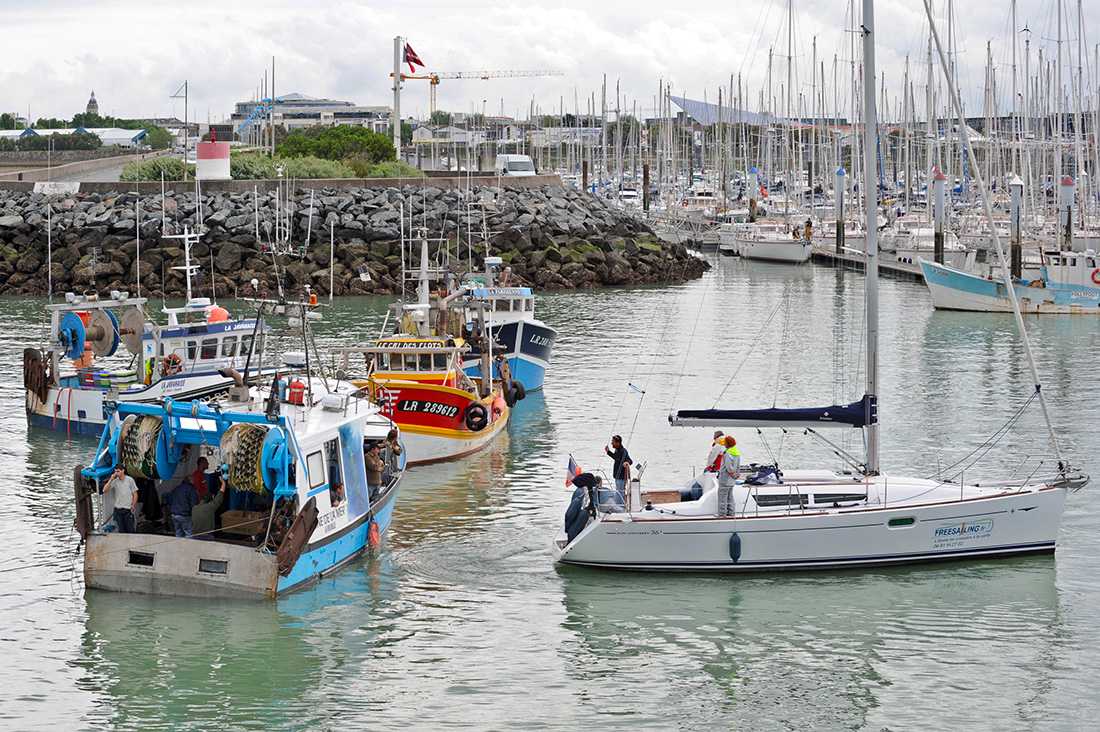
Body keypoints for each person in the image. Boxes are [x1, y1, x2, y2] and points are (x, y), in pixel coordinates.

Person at [102, 464, 139, 533]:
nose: (116, 473)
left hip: (128, 509)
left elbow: (135, 494)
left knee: (131, 530)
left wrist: (132, 507)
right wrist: (111, 480)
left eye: (118, 471)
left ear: (123, 471)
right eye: (115, 471)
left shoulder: (130, 480)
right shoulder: (115, 481)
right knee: (121, 530)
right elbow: (104, 490)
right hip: (119, 509)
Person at [191, 472, 227, 540]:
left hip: (194, 536)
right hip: (206, 536)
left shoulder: (194, 508)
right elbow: (219, 496)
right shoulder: (210, 507)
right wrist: (223, 483)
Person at [604, 435, 632, 511]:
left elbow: (630, 460)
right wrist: (608, 452)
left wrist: (626, 462)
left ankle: (621, 509)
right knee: (618, 492)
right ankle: (619, 507)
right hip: (617, 477)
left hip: (621, 477)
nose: (611, 443)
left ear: (618, 443)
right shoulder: (617, 450)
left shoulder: (623, 451)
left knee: (620, 493)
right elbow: (616, 458)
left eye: (613, 442)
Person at [717, 435, 741, 517]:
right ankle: (731, 512)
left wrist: (732, 474)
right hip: (732, 480)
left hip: (725, 478)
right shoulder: (736, 452)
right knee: (730, 495)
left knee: (722, 496)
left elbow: (728, 466)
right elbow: (738, 465)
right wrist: (737, 475)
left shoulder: (727, 453)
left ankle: (722, 514)